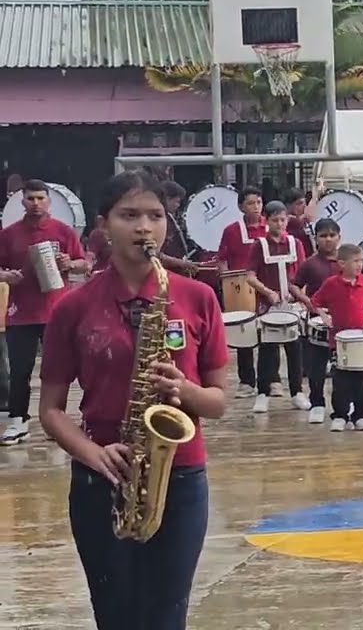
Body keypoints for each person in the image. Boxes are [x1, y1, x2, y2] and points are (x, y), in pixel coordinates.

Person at [38, 170, 228, 629]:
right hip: (102, 476)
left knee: (167, 613)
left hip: (180, 477)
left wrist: (184, 391)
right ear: (103, 224)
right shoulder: (73, 307)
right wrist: (93, 455)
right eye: (129, 215)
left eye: (155, 216)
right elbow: (50, 410)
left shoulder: (198, 297)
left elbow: (219, 401)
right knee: (116, 614)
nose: (145, 227)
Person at [0, 179, 88, 446]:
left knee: (58, 369)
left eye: (40, 198)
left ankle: (56, 420)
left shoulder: (63, 231)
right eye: (30, 198)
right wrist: (6, 276)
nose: (35, 203)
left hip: (55, 312)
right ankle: (18, 420)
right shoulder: (9, 234)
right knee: (20, 369)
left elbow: (83, 264)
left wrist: (69, 263)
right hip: (21, 313)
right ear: (22, 201)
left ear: (49, 201)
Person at [245, 201, 311, 414]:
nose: (280, 224)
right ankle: (262, 394)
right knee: (267, 350)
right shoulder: (259, 245)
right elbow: (250, 276)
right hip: (268, 306)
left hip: (291, 305)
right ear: (267, 220)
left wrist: (299, 296)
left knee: (295, 350)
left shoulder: (295, 243)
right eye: (275, 220)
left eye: (283, 220)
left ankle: (297, 393)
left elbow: (302, 274)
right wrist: (268, 292)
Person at [312, 244, 363, 431]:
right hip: (339, 341)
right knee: (341, 380)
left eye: (361, 261)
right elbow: (315, 301)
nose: (360, 265)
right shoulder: (331, 284)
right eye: (355, 261)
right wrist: (324, 316)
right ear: (341, 263)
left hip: (361, 340)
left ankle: (361, 415)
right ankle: (340, 414)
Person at [217, 186, 267, 396]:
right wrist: (227, 283)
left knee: (268, 334)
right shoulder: (231, 230)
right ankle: (246, 381)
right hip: (240, 288)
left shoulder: (271, 226)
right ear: (241, 207)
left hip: (265, 287)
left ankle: (269, 379)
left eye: (258, 202)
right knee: (243, 333)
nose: (255, 207)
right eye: (250, 203)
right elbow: (222, 259)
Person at [295, 218, 343, 424]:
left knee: (343, 367)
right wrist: (306, 301)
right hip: (317, 322)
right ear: (315, 239)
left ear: (339, 238)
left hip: (343, 322)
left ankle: (342, 406)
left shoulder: (346, 261)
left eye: (332, 235)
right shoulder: (310, 264)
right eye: (323, 236)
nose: (328, 240)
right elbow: (294, 285)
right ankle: (317, 403)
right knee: (316, 367)